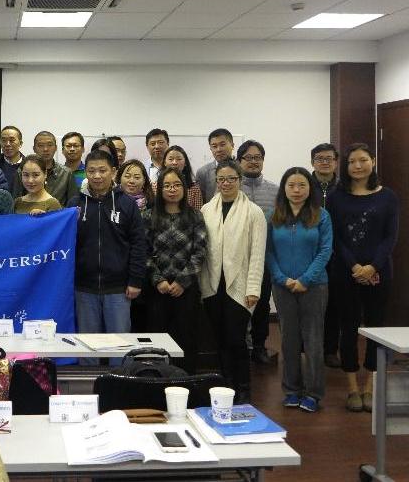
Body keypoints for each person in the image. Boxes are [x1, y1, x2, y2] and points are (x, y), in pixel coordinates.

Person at [327, 143, 399, 413]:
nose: (357, 166)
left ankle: (369, 386)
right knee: (348, 328)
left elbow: (390, 237)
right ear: (345, 166)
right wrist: (355, 266)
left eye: (363, 160)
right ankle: (352, 389)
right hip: (345, 272)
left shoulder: (388, 197)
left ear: (373, 161)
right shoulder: (336, 197)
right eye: (351, 162)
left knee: (376, 328)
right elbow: (335, 237)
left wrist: (372, 267)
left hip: (379, 273)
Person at [199, 159, 266, 403]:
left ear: (240, 180)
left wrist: (253, 289)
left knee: (236, 340)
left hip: (240, 287)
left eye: (231, 179)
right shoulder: (207, 210)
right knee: (219, 341)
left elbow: (257, 254)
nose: (226, 183)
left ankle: (243, 388)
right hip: (212, 285)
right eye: (221, 179)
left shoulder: (253, 212)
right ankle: (225, 387)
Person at [267, 167, 332, 413]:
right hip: (282, 286)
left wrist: (305, 279)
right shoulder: (274, 215)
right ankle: (292, 390)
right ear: (283, 188)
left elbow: (325, 251)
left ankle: (313, 393)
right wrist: (281, 278)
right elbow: (268, 252)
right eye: (291, 185)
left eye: (302, 185)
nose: (296, 190)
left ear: (309, 188)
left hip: (314, 286)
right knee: (289, 339)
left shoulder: (321, 215)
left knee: (313, 340)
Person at [67, 149, 146, 345]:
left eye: (102, 170)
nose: (97, 176)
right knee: (87, 346)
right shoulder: (75, 204)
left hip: (119, 288)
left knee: (119, 345)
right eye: (91, 171)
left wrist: (135, 280)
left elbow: (138, 244)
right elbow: (64, 242)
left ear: (113, 171)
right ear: (86, 172)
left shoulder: (127, 204)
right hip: (84, 287)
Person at [142, 167, 207, 374]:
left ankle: (186, 380)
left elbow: (200, 251)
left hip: (186, 289)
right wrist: (158, 279)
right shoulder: (148, 216)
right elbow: (143, 252)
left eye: (177, 185)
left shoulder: (195, 216)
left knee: (186, 338)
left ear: (184, 189)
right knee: (157, 339)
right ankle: (157, 380)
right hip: (157, 288)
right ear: (160, 189)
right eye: (167, 185)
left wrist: (182, 281)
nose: (172, 189)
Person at [237, 140, 279, 365]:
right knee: (237, 305)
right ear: (239, 161)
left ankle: (259, 346)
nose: (253, 162)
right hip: (237, 259)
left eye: (257, 158)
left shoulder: (275, 190)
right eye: (248, 158)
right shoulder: (232, 188)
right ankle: (240, 346)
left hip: (264, 258)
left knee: (261, 304)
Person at [310, 142, 342, 368]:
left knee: (334, 303)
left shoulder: (344, 187)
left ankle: (330, 349)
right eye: (319, 158)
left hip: (338, 253)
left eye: (329, 158)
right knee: (310, 304)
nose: (324, 162)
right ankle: (307, 348)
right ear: (312, 162)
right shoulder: (303, 183)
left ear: (336, 162)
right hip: (309, 252)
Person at [13, 131, 77, 207]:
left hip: (57, 213)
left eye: (50, 145)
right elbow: (16, 203)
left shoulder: (66, 173)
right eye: (40, 145)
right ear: (34, 149)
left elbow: (73, 205)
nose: (45, 149)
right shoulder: (22, 172)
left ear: (56, 148)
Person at [196, 128, 235, 202]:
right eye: (214, 146)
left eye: (222, 145)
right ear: (210, 149)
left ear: (232, 145)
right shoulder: (203, 173)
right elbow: (201, 201)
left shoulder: (242, 169)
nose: (218, 149)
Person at [161, 145, 203, 210]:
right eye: (170, 159)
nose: (174, 163)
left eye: (179, 159)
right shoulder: (156, 186)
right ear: (164, 163)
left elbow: (198, 212)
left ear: (185, 163)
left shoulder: (194, 188)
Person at [0, 125, 24, 194]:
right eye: (4, 140)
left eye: (12, 140)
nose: (7, 144)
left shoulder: (28, 165)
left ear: (20, 143)